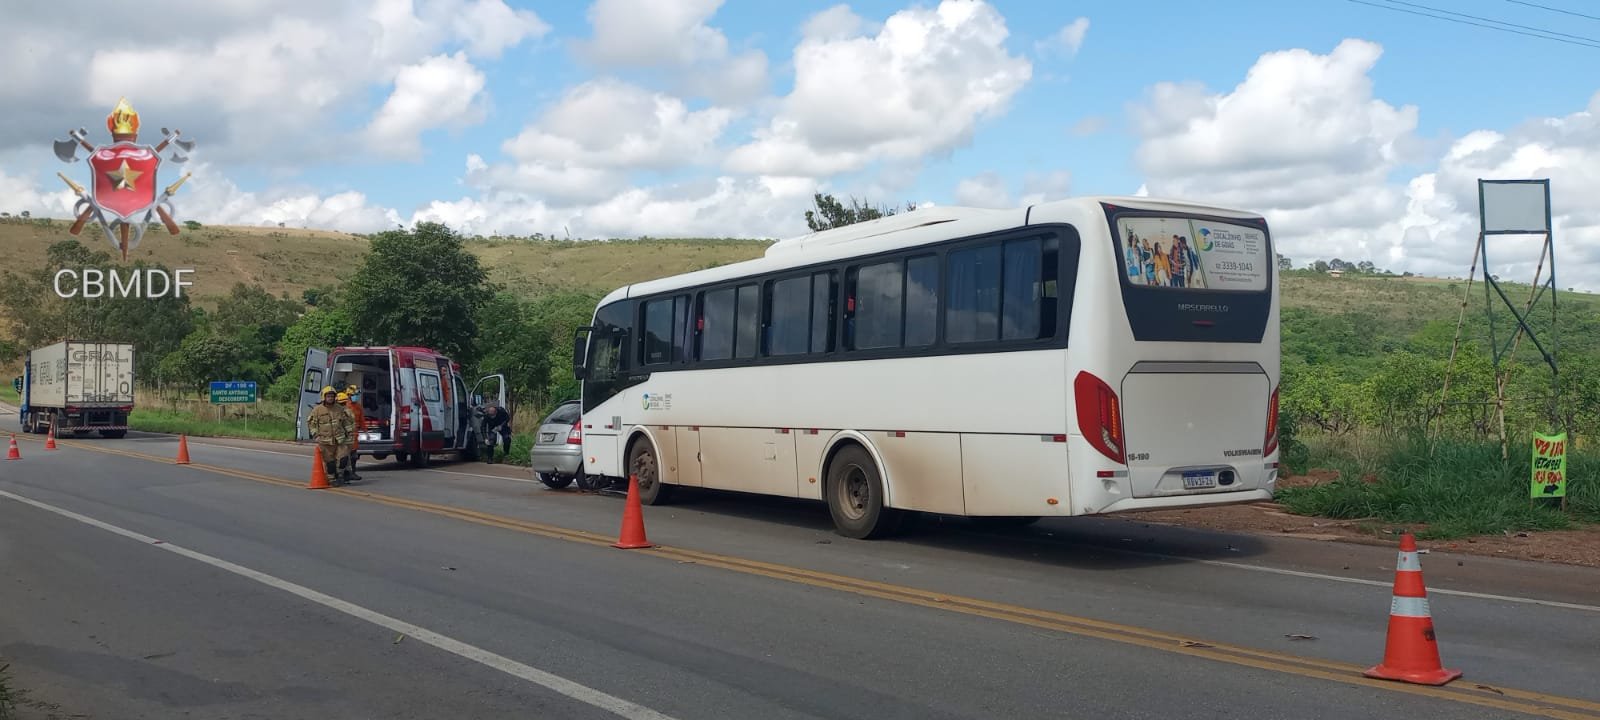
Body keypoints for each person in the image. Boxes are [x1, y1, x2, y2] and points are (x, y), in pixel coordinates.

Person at [308, 386, 355, 485]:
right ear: (324, 397)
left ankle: (341, 475)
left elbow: (345, 421)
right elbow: (311, 423)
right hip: (325, 441)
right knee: (330, 463)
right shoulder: (317, 410)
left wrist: (350, 431)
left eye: (332, 396)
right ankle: (332, 479)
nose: (330, 398)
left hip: (340, 439)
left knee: (343, 459)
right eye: (328, 396)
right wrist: (315, 435)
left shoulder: (340, 409)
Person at [340, 388, 364, 482]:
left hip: (354, 433)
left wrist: (365, 431)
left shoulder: (358, 407)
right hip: (346, 434)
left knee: (354, 455)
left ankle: (352, 473)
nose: (355, 397)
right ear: (349, 395)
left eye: (356, 395)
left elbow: (361, 419)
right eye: (354, 395)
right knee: (345, 456)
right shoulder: (345, 407)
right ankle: (343, 474)